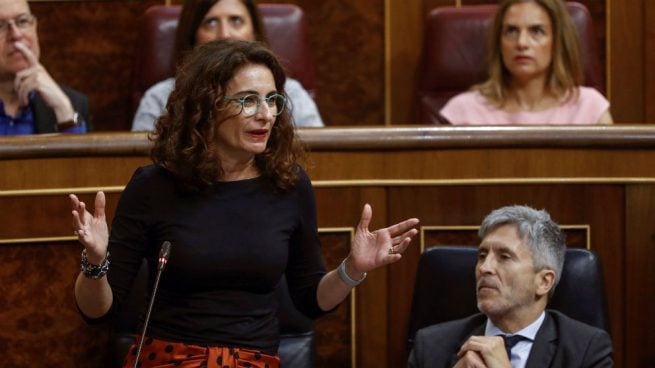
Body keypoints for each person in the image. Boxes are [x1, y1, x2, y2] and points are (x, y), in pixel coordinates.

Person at [72, 39, 418, 367]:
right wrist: (95, 263)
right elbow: (97, 311)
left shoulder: (290, 185)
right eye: (248, 100)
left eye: (272, 100)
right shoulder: (154, 186)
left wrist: (353, 269)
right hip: (170, 359)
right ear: (207, 106)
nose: (266, 114)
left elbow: (311, 300)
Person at [408, 205, 613, 368]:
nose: (485, 267)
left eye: (504, 257)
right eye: (482, 256)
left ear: (544, 282)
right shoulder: (431, 346)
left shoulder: (586, 350)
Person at [131, 0, 323, 132]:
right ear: (192, 35)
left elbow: (322, 158)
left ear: (254, 33)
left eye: (236, 21)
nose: (225, 34)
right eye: (211, 22)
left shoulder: (289, 93)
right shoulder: (159, 99)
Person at [439, 0, 613, 125]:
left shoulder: (590, 109)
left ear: (557, 42)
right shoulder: (464, 112)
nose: (521, 43)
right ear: (499, 43)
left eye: (536, 31)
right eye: (511, 31)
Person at [0, 0, 89, 135]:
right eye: (0, 26)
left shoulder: (73, 103)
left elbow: (82, 156)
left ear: (35, 26)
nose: (16, 35)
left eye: (22, 21)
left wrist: (64, 111)